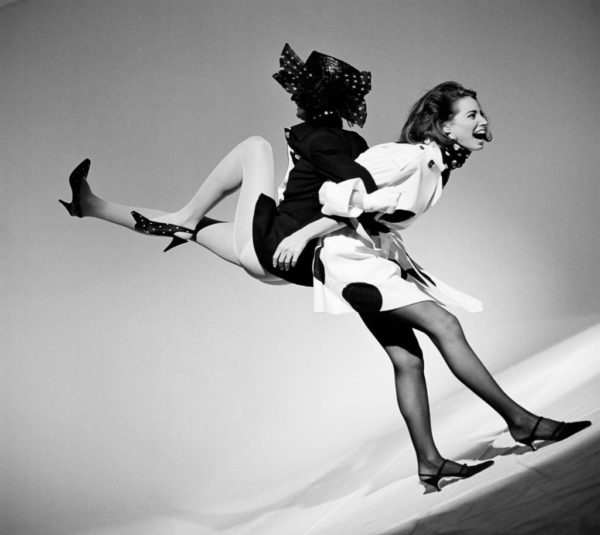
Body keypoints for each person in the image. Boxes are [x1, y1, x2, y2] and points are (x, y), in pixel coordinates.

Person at [60, 49, 590, 491]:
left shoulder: (425, 164)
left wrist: (386, 240)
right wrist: (307, 232)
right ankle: (521, 423)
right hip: (310, 254)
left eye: (480, 114)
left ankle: (430, 463)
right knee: (442, 327)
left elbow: (363, 205)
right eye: (471, 113)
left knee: (406, 359)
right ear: (442, 123)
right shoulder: (402, 155)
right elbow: (345, 194)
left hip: (303, 258)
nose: (482, 121)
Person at [59, 44, 395, 287]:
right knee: (186, 226)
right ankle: (90, 206)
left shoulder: (317, 140)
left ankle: (184, 217)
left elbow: (365, 193)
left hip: (273, 246)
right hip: (289, 268)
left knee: (255, 147)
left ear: (315, 100)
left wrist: (303, 234)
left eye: (300, 92)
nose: (293, 97)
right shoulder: (354, 143)